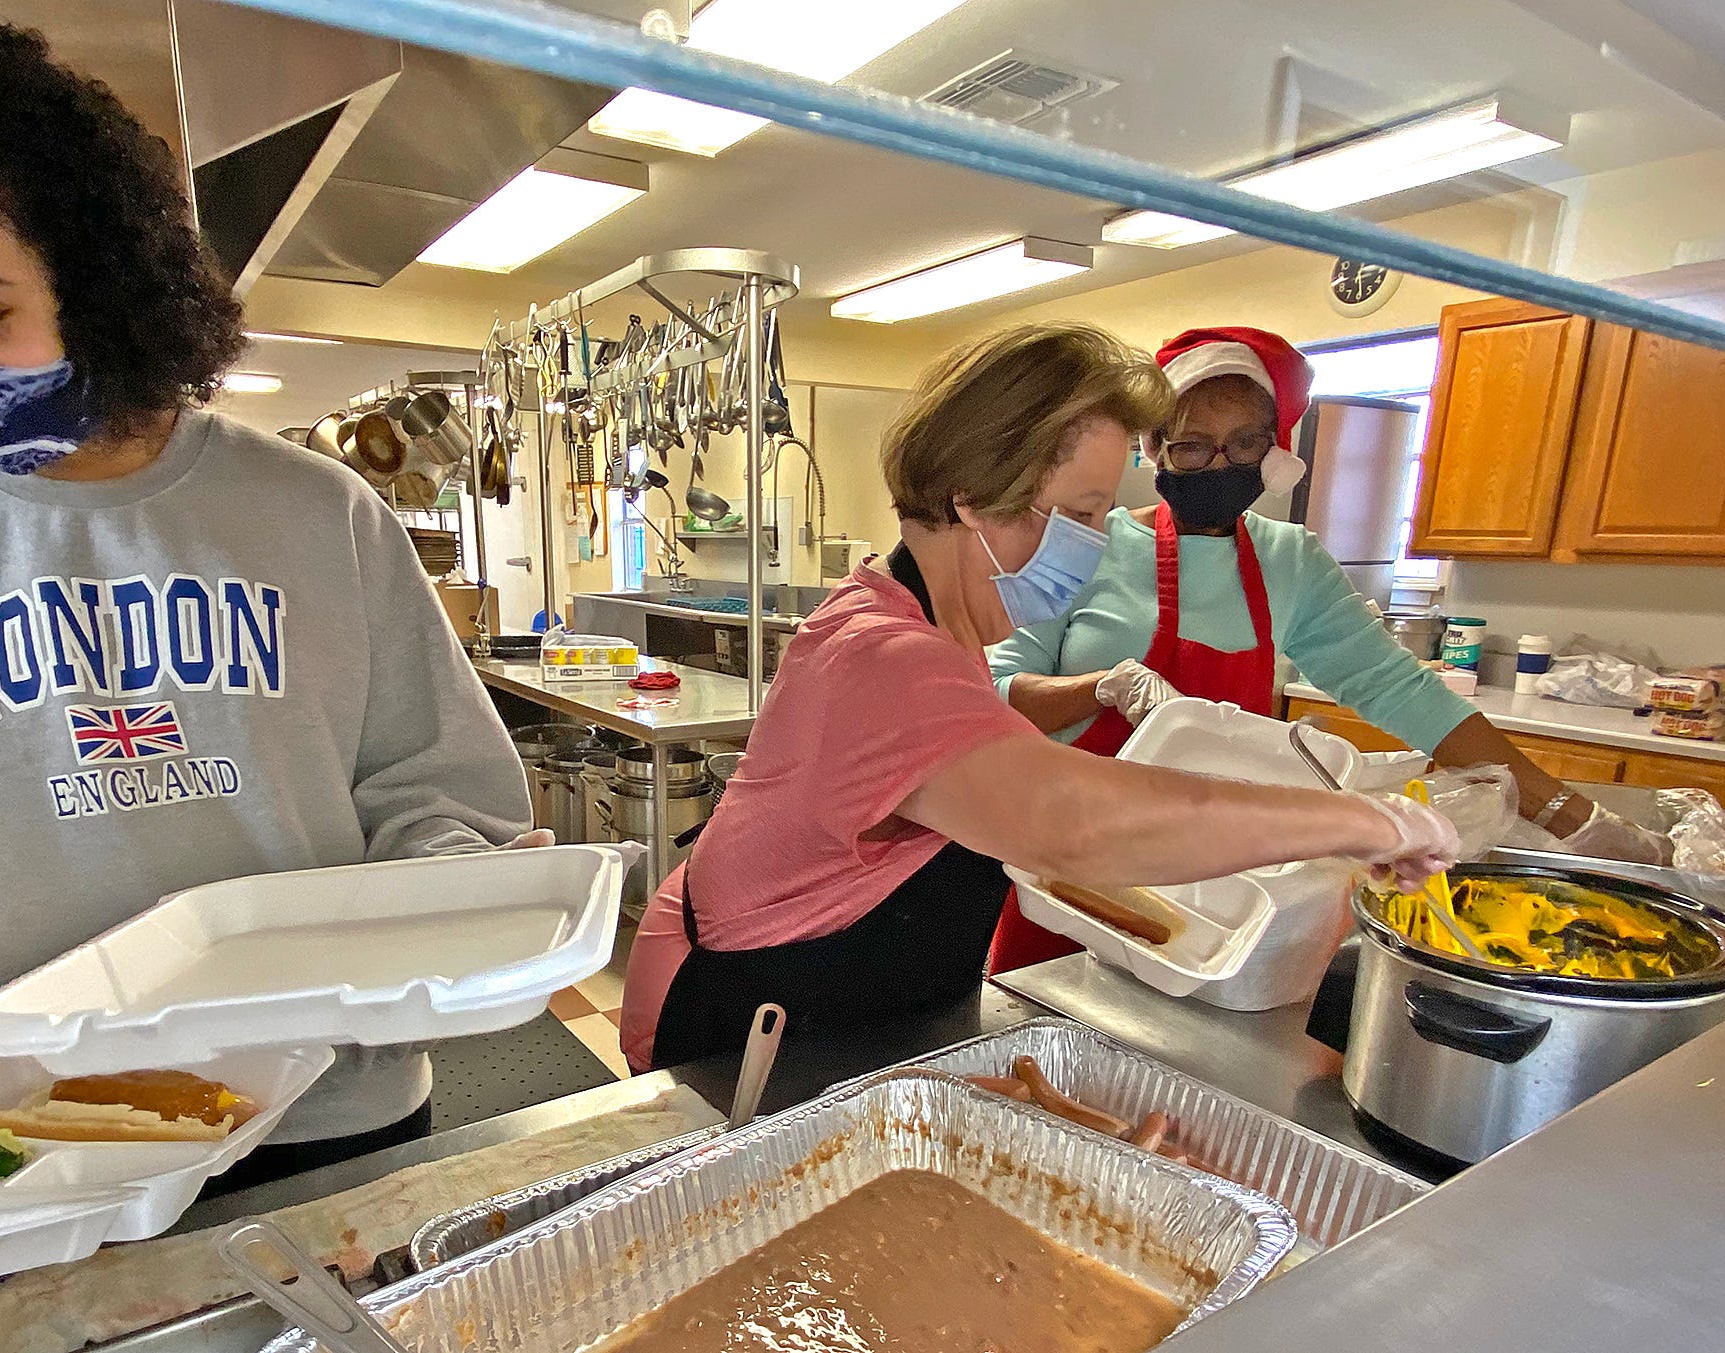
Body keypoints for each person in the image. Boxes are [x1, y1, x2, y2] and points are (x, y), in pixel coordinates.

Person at [0, 12, 531, 1213]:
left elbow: (426, 796)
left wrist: (461, 883)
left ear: (95, 274)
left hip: (334, 1115)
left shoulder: (319, 516)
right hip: (49, 1138)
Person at [618, 323, 1460, 1073]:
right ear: (975, 496)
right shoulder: (886, 656)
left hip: (833, 1002)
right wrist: (1365, 821)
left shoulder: (918, 615)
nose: (1096, 544)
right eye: (1084, 513)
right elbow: (1075, 823)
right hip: (742, 1019)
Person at [983, 326, 1671, 973]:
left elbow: (1407, 693)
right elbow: (996, 696)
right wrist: (1104, 686)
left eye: (1244, 442)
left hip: (1219, 889)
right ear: (1154, 447)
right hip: (1072, 874)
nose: (1218, 465)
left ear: (1276, 450)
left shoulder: (1291, 561)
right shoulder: (1082, 545)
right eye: (1192, 445)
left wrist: (1573, 819)